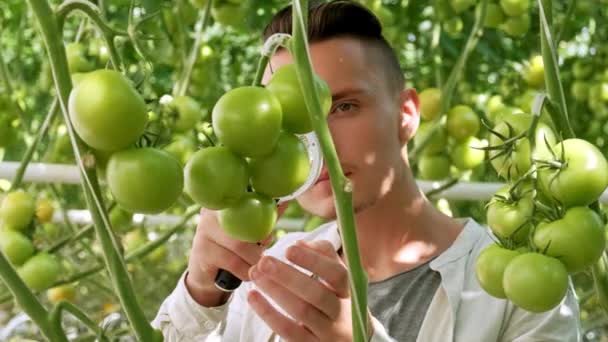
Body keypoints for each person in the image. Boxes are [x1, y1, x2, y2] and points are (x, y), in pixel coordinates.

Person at [152, 1, 580, 341]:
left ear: (406, 114)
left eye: (342, 106)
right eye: (286, 118)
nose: (315, 139)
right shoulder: (269, 273)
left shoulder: (514, 288)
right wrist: (202, 294)